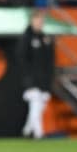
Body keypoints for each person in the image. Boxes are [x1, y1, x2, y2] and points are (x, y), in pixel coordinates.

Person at [19, 10, 54, 139]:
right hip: (31, 80)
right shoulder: (26, 38)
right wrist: (27, 79)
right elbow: (22, 60)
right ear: (32, 21)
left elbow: (50, 62)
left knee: (40, 107)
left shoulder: (46, 39)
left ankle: (27, 130)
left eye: (41, 21)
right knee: (35, 105)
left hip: (44, 80)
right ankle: (39, 133)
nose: (39, 23)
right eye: (37, 20)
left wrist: (49, 80)